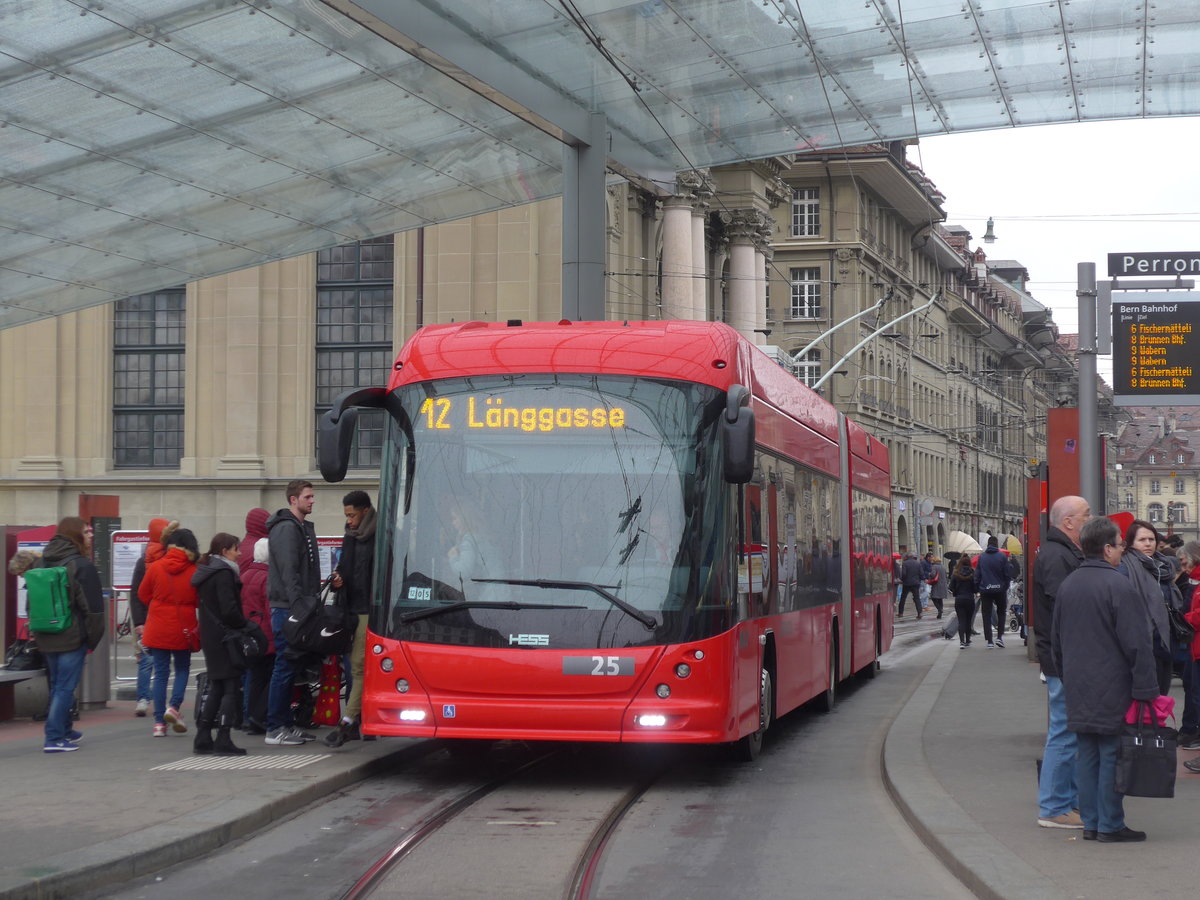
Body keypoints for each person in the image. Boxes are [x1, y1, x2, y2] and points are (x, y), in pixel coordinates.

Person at [1052, 516, 1159, 842]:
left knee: (1087, 755)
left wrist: (1068, 676)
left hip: (1079, 684)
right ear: (1108, 547)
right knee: (1112, 754)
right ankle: (1110, 825)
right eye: (1120, 545)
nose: (1122, 550)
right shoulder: (1119, 585)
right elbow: (1137, 644)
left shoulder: (1069, 585)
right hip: (1114, 684)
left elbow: (1056, 641)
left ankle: (1092, 823)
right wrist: (1147, 689)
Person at [1032, 495, 1089, 829]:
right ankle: (1054, 807)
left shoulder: (1060, 552)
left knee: (1067, 731)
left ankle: (1064, 802)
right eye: (1086, 515)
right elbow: (1065, 605)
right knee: (1064, 733)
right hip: (1062, 656)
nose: (1089, 519)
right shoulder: (1057, 555)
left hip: (1062, 654)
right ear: (1069, 522)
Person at [37, 518, 105, 752]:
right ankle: (54, 738)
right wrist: (91, 639)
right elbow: (93, 609)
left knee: (57, 684)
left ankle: (65, 729)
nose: (91, 535)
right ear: (75, 535)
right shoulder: (81, 565)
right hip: (71, 635)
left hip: (46, 632)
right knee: (65, 687)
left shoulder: (44, 560)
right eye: (86, 531)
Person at [265, 479, 321, 746]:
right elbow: (290, 572)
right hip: (288, 608)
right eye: (307, 497)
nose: (312, 501)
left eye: (312, 496)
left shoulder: (298, 528)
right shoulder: (287, 529)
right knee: (284, 667)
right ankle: (275, 727)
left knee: (291, 667)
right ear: (293, 500)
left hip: (295, 606)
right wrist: (300, 606)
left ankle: (285, 723)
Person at [138, 527, 200, 737]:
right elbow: (199, 600)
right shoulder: (194, 570)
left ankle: (158, 724)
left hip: (157, 626)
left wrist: (158, 606)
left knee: (161, 673)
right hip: (183, 628)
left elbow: (142, 594)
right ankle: (173, 707)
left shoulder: (156, 567)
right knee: (182, 668)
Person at [191, 533, 249, 756]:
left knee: (217, 685)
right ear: (225, 551)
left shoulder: (206, 572)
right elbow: (229, 609)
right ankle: (223, 737)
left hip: (210, 635)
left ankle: (203, 736)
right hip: (225, 637)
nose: (239, 553)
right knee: (231, 686)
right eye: (236, 549)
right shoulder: (224, 573)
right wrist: (244, 625)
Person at [326, 490, 376, 748]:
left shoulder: (379, 535)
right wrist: (338, 581)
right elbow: (344, 569)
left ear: (365, 511)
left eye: (352, 515)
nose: (349, 520)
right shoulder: (350, 536)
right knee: (355, 667)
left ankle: (348, 722)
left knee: (358, 666)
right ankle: (358, 722)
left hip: (369, 610)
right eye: (346, 516)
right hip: (350, 610)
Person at [1117, 520, 1173, 695]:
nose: (1148, 543)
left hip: (1165, 641)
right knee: (1147, 699)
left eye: (1152, 539)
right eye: (1142, 540)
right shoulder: (1124, 568)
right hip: (1143, 642)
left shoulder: (1163, 566)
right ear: (1131, 543)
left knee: (1161, 697)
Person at [129, 518, 175, 718]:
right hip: (165, 616)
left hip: (148, 617)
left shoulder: (145, 560)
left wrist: (139, 622)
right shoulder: (171, 557)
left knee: (147, 661)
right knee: (166, 664)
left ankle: (143, 699)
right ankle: (162, 704)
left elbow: (136, 593)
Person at [239, 536, 274, 735]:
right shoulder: (267, 578)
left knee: (253, 677)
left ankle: (249, 716)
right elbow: (269, 609)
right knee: (268, 675)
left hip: (248, 633)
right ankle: (260, 716)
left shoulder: (244, 576)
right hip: (265, 633)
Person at [974, 536, 1011, 647]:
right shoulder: (1002, 557)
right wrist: (1005, 586)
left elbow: (977, 575)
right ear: (997, 544)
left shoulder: (982, 557)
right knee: (1001, 613)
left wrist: (977, 588)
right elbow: (1007, 574)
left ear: (988, 544)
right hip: (1000, 589)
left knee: (986, 614)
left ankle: (989, 641)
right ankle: (999, 637)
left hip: (986, 589)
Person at [949, 556, 976, 648]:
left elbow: (951, 587)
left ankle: (961, 642)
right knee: (969, 620)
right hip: (970, 599)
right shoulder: (972, 573)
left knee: (961, 621)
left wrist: (956, 592)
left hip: (959, 599)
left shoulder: (956, 573)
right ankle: (968, 640)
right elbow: (976, 588)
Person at [896, 552, 924, 619]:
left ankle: (900, 613)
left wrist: (902, 579)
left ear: (907, 557)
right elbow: (921, 573)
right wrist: (918, 579)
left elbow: (904, 574)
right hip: (916, 583)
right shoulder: (918, 563)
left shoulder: (905, 563)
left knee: (903, 598)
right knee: (917, 598)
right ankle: (920, 613)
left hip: (907, 583)